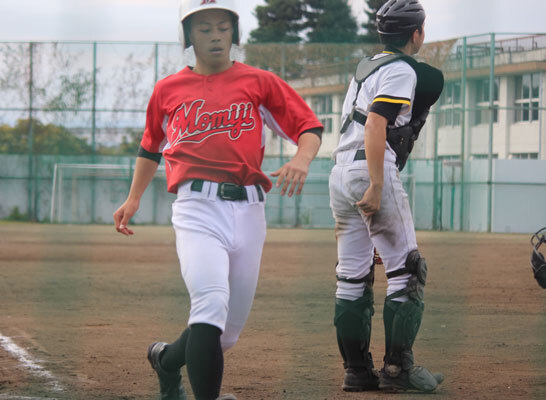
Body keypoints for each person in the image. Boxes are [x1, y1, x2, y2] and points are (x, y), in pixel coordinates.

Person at [112, 1, 323, 398]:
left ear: (234, 34)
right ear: (189, 36)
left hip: (249, 211)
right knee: (209, 304)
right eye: (204, 28)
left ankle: (167, 360)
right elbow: (150, 147)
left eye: (223, 27)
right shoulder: (168, 89)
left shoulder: (260, 82)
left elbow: (308, 126)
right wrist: (133, 198)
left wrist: (302, 158)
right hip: (196, 209)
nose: (214, 35)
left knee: (223, 335)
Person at [328, 0, 444, 393]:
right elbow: (376, 122)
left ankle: (357, 372)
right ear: (417, 34)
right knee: (407, 270)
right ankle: (398, 371)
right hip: (368, 169)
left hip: (340, 172)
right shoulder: (399, 70)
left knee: (351, 276)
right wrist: (377, 184)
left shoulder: (364, 69)